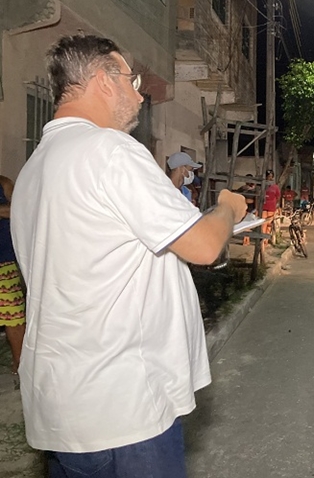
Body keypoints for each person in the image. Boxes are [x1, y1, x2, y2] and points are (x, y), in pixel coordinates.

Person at [10, 34, 247, 476]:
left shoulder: (33, 170)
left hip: (62, 409)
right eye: (131, 80)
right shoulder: (110, 150)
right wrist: (228, 208)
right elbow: (203, 245)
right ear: (104, 81)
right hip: (124, 409)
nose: (139, 95)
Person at [0, 176, 26, 375]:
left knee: (14, 316)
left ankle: (21, 366)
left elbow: (20, 208)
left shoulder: (3, 183)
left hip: (4, 262)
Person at [261, 169, 281, 249]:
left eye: (271, 176)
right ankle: (263, 238)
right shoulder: (263, 185)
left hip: (272, 207)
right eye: (268, 176)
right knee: (263, 223)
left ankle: (266, 239)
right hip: (263, 206)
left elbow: (278, 197)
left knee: (269, 223)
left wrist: (277, 207)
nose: (270, 178)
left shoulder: (275, 187)